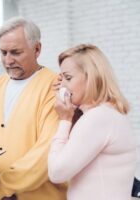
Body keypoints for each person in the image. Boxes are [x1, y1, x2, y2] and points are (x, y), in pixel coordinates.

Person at [0, 17, 67, 200]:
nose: (8, 60)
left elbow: (47, 151)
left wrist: (0, 188)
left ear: (37, 49)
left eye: (15, 52)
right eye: (3, 52)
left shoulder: (55, 87)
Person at [48, 44, 137, 200]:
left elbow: (56, 173)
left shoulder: (97, 118)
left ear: (91, 78)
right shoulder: (108, 113)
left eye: (68, 78)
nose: (62, 85)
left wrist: (65, 119)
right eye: (61, 78)